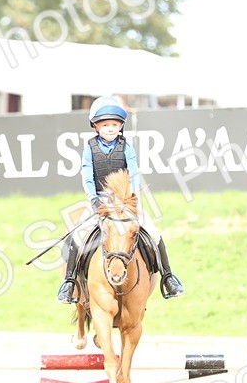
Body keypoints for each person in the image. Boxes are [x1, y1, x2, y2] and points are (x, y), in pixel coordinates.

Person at [57, 96, 185, 303]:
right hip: (100, 200)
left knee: (153, 232)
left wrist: (130, 199)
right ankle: (69, 281)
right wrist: (94, 200)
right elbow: (87, 176)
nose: (110, 128)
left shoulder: (127, 148)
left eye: (114, 125)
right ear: (96, 127)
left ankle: (168, 277)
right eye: (105, 125)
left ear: (121, 126)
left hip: (125, 200)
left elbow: (133, 174)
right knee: (78, 235)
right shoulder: (89, 149)